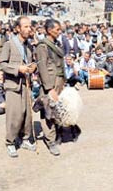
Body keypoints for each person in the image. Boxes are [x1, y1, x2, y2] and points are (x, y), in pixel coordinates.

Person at [0, 16, 37, 157]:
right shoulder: (9, 44)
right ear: (18, 29)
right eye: (26, 26)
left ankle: (26, 139)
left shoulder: (28, 46)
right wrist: (18, 68)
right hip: (13, 85)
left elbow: (31, 63)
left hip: (26, 85)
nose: (29, 29)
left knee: (26, 114)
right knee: (14, 115)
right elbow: (1, 64)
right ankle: (10, 142)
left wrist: (32, 67)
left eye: (30, 26)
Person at [36, 19, 65, 156]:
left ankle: (57, 133)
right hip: (50, 83)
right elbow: (42, 68)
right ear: (49, 30)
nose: (60, 32)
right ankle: (50, 141)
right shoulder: (42, 46)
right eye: (57, 29)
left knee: (57, 109)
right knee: (48, 111)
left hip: (59, 80)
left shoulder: (56, 44)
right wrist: (49, 88)